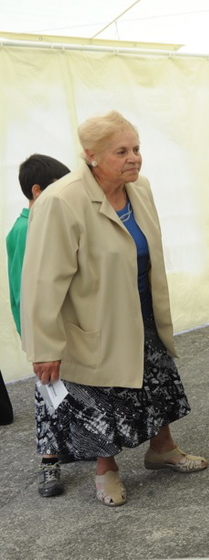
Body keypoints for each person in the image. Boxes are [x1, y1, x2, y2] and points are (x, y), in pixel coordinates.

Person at [20, 111, 208, 508]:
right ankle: (106, 469)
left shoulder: (140, 188)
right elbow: (42, 281)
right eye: (121, 152)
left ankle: (163, 448)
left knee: (154, 381)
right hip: (95, 320)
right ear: (90, 155)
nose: (134, 158)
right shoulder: (61, 200)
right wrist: (44, 347)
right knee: (103, 397)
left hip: (141, 308)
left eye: (136, 148)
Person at [7, 154, 71, 497]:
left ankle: (74, 448)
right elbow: (22, 293)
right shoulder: (23, 230)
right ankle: (49, 463)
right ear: (37, 191)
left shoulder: (50, 223)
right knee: (47, 396)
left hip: (66, 328)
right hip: (44, 336)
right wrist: (34, 342)